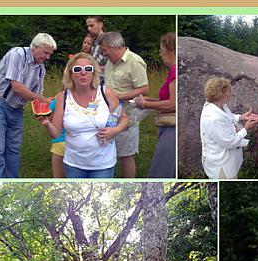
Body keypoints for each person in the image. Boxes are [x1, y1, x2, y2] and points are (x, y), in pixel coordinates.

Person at [39, 53, 127, 178]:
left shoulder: (106, 93)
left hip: (103, 164)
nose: (83, 72)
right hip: (74, 164)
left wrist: (115, 130)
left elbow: (123, 118)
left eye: (88, 69)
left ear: (94, 73)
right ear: (70, 74)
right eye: (77, 69)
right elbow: (56, 133)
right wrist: (48, 124)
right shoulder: (63, 98)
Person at [0, 33, 56, 178]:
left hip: (17, 109)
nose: (48, 57)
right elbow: (16, 87)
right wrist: (43, 100)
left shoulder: (41, 69)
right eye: (45, 53)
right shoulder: (17, 54)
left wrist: (50, 109)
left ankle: (12, 178)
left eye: (50, 54)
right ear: (34, 47)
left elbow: (37, 99)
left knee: (14, 149)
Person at [100, 32, 149, 178]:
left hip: (127, 113)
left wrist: (119, 97)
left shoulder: (134, 61)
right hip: (109, 114)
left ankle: (129, 180)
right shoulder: (110, 62)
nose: (103, 54)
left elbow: (144, 89)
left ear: (113, 47)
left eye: (104, 50)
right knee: (107, 150)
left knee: (126, 154)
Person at [133, 32, 177, 178]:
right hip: (166, 127)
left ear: (171, 50)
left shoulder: (175, 70)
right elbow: (169, 100)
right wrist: (150, 101)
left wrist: (145, 104)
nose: (159, 52)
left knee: (161, 172)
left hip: (172, 129)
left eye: (161, 48)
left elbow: (173, 104)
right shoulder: (173, 70)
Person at [200, 77, 258, 179]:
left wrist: (241, 117)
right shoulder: (214, 119)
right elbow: (230, 142)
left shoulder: (218, 105)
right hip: (222, 167)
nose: (230, 93)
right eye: (228, 91)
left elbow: (227, 116)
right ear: (221, 94)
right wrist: (246, 129)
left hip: (227, 160)